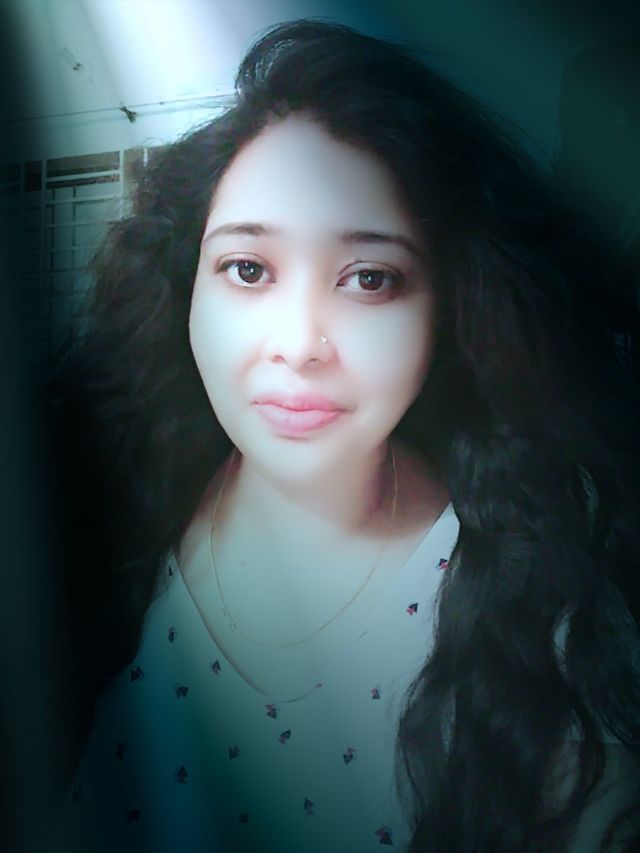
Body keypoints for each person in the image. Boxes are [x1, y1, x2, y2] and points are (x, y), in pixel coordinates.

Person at [47, 19, 640, 853]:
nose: (299, 344)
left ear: (447, 311)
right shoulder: (98, 522)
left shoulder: (550, 622)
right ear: (187, 291)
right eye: (248, 269)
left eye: (369, 278)